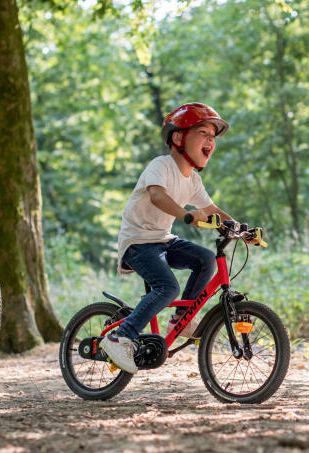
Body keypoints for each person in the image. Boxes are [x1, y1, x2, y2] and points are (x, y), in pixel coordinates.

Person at [100, 102, 243, 374]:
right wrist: (186, 215)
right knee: (167, 288)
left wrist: (240, 229)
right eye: (203, 133)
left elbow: (213, 211)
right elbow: (157, 195)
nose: (210, 141)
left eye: (213, 137)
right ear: (179, 138)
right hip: (138, 242)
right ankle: (120, 336)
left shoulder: (193, 181)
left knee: (205, 258)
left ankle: (180, 319)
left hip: (162, 239)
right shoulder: (161, 166)